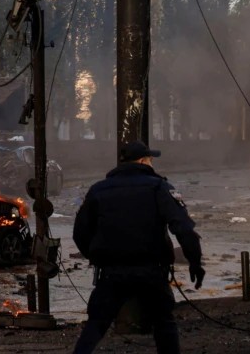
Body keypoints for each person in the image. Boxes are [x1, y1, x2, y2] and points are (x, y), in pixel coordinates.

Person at [72, 140, 205, 354]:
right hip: (151, 270)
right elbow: (184, 229)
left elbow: (80, 233)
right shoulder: (159, 187)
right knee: (164, 323)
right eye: (151, 159)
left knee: (96, 324)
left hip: (112, 273)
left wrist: (98, 257)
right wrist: (195, 262)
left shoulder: (98, 190)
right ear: (144, 160)